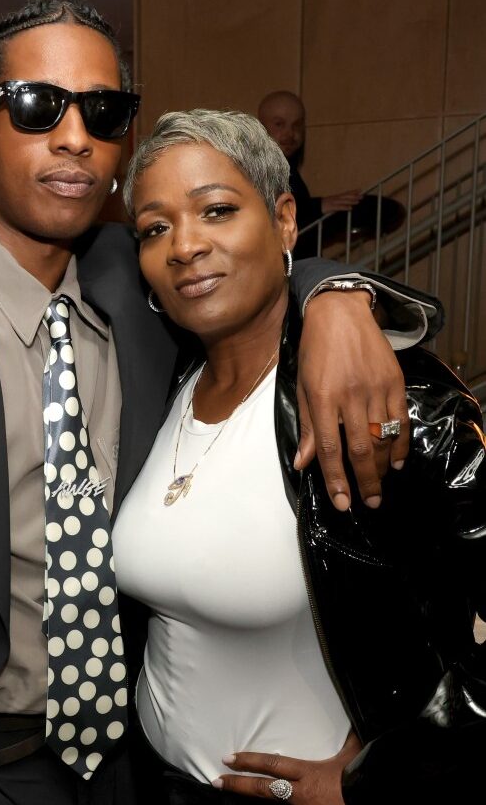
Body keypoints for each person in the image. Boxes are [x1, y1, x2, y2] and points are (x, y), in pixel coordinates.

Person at [0, 0, 439, 805]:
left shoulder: (138, 287)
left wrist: (334, 293)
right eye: (36, 106)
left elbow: (243, 268)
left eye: (102, 112)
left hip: (131, 765)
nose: (74, 137)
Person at [113, 108, 486, 805]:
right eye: (155, 228)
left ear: (284, 220)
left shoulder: (384, 398)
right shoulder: (164, 377)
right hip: (148, 779)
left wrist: (378, 777)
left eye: (216, 210)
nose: (184, 246)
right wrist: (335, 288)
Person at [258, 91, 361, 257]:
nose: (290, 133)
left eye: (297, 125)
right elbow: (267, 213)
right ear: (261, 127)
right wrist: (319, 206)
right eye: (279, 124)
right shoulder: (256, 168)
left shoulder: (287, 167)